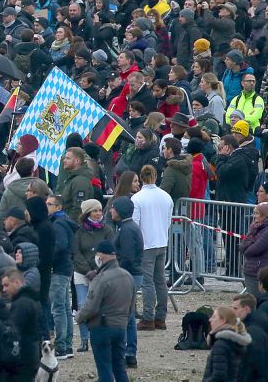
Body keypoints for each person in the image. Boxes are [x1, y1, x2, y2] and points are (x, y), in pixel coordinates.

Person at [76, 240, 134, 382]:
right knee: (119, 368)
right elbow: (132, 307)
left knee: (105, 370)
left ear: (101, 256)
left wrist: (79, 317)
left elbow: (91, 306)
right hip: (121, 328)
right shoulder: (128, 276)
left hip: (102, 328)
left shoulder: (101, 279)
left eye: (97, 255)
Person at [131, 164, 172, 331]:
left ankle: (148, 317)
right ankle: (161, 316)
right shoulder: (166, 196)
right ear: (156, 175)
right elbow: (169, 220)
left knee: (148, 282)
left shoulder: (137, 199)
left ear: (141, 177)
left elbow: (135, 224)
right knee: (160, 281)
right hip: (161, 240)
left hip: (146, 243)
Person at [73, 199, 114, 353]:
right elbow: (76, 252)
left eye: (99, 210)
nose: (98, 214)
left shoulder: (107, 230)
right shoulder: (79, 231)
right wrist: (87, 270)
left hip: (101, 272)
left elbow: (110, 251)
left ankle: (99, 338)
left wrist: (97, 270)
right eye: (94, 211)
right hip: (81, 272)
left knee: (100, 307)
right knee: (83, 306)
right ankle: (84, 340)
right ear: (87, 213)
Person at [110, 196, 143, 368]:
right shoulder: (126, 227)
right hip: (131, 274)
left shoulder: (127, 229)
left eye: (113, 208)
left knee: (126, 316)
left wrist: (116, 273)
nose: (111, 210)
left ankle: (127, 352)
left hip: (128, 275)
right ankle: (129, 352)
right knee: (128, 315)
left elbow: (127, 257)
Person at [48, 192, 78, 358]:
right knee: (65, 307)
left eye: (50, 204)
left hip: (59, 268)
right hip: (66, 267)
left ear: (58, 207)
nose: (47, 207)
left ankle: (61, 346)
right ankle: (67, 344)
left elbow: (59, 245)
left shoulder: (58, 223)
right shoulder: (65, 221)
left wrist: (48, 260)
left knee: (58, 308)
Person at [1, 269, 43, 382]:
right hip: (31, 356)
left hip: (22, 359)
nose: (4, 290)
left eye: (6, 285)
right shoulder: (32, 300)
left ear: (17, 283)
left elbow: (13, 332)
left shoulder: (22, 304)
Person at [202, 307, 252, 382]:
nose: (210, 320)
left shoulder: (220, 345)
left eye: (214, 317)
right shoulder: (236, 341)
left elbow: (219, 376)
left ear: (223, 320)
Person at [230, 293, 268, 382]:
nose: (231, 311)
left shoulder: (253, 331)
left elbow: (251, 364)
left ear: (247, 309)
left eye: (235, 308)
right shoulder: (253, 323)